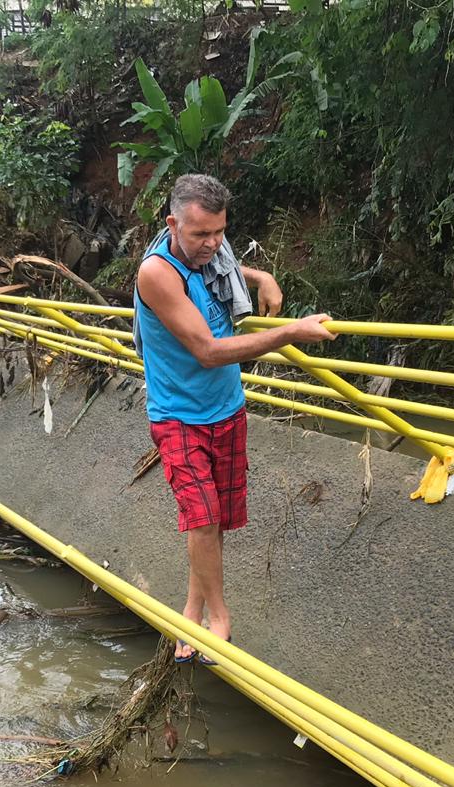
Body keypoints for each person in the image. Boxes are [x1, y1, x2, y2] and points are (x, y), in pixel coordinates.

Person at [135, 174, 336, 664]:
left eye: (220, 231)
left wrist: (262, 276)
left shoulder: (209, 254)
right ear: (171, 225)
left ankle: (191, 609)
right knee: (201, 519)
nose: (212, 244)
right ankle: (219, 621)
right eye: (200, 233)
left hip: (226, 408)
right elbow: (207, 351)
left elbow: (222, 262)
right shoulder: (158, 273)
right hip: (177, 415)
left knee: (212, 521)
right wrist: (289, 332)